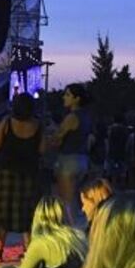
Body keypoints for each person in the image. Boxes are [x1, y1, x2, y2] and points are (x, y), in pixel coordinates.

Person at [0, 94, 44, 262]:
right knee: (26, 212)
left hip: (7, 171)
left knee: (2, 211)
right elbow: (42, 149)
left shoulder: (7, 122)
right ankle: (28, 251)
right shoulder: (38, 125)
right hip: (29, 173)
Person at [53, 84, 94, 221]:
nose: (64, 97)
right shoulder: (86, 117)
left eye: (67, 95)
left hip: (68, 159)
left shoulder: (71, 117)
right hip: (82, 159)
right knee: (76, 199)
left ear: (77, 98)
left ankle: (71, 232)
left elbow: (58, 137)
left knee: (66, 200)